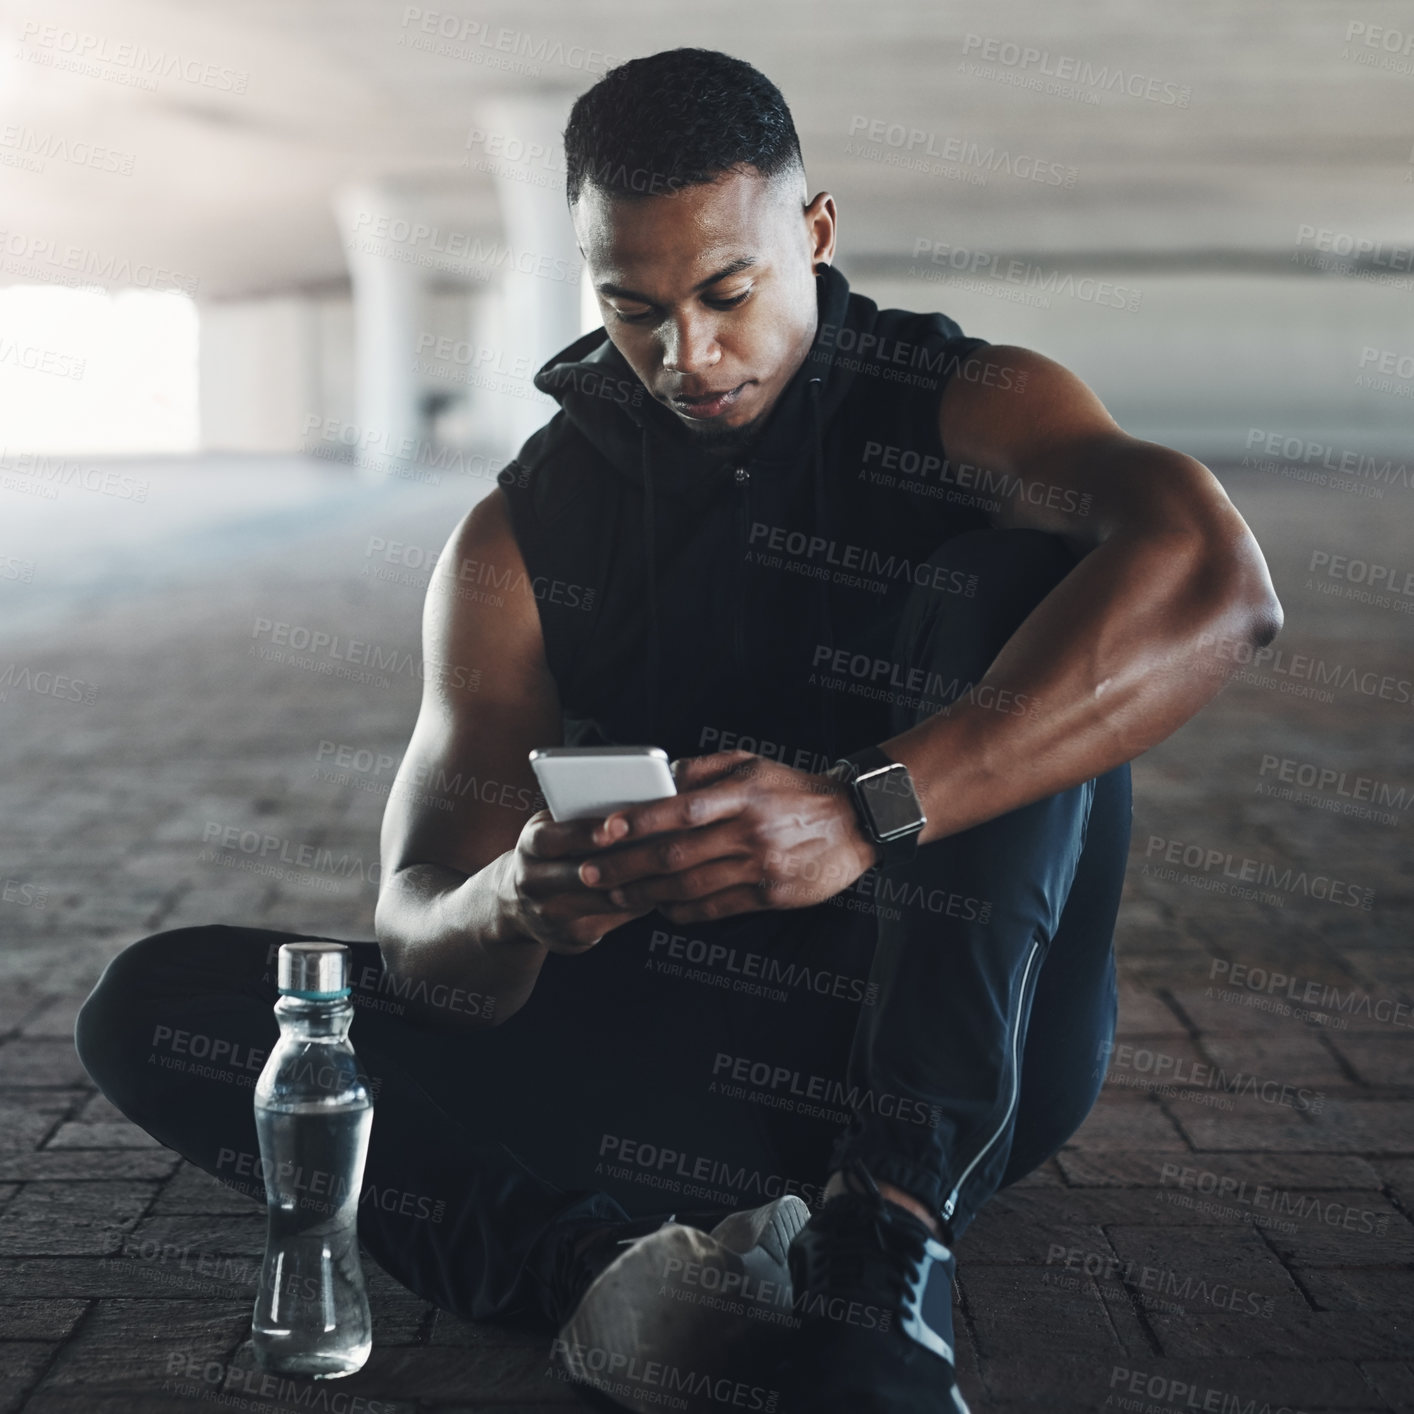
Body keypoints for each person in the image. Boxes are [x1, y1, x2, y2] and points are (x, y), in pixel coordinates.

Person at [76, 47, 1282, 1413]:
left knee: (1009, 576)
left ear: (812, 235)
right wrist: (517, 902)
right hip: (673, 1070)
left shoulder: (962, 401)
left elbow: (1216, 581)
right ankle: (624, 1287)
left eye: (726, 293)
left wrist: (858, 810)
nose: (684, 354)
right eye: (631, 306)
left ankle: (884, 1238)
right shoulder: (518, 536)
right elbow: (421, 927)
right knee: (164, 1004)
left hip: (951, 1042)